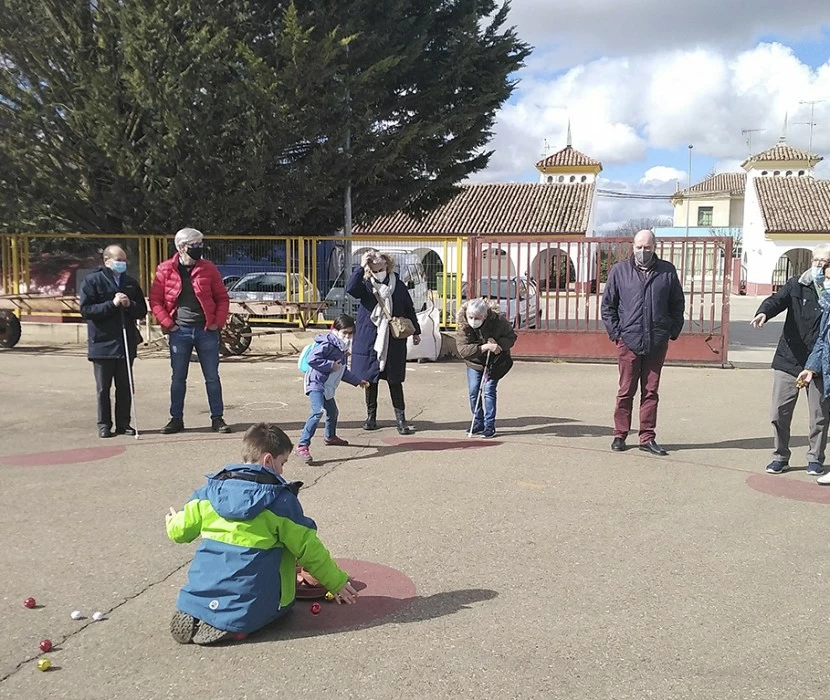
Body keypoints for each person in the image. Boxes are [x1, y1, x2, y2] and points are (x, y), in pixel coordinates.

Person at [165, 422, 359, 645]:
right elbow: (309, 548)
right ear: (268, 460)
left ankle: (196, 608)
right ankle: (236, 625)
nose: (283, 470)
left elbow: (180, 532)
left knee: (220, 561)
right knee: (283, 582)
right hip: (251, 602)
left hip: (201, 590)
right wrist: (336, 582)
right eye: (282, 463)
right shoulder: (279, 501)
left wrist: (172, 521)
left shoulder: (209, 491)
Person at [601, 229, 685, 456]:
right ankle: (620, 434)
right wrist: (616, 334)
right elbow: (608, 306)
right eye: (639, 247)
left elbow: (677, 304)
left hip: (656, 342)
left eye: (647, 247)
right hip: (628, 341)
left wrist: (671, 331)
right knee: (626, 390)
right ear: (632, 247)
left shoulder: (667, 271)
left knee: (650, 391)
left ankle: (647, 437)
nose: (642, 251)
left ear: (654, 247)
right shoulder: (620, 271)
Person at [751, 245, 830, 476]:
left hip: (820, 362)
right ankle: (780, 456)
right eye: (816, 260)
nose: (819, 265)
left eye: (825, 262)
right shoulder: (797, 283)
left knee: (820, 415)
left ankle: (815, 458)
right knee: (779, 412)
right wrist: (764, 312)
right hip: (789, 358)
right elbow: (777, 300)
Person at [150, 227, 231, 434]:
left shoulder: (208, 268)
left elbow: (222, 297)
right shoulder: (165, 269)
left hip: (206, 330)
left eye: (200, 244)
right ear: (181, 247)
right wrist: (169, 324)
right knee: (178, 377)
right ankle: (176, 418)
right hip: (180, 331)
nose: (199, 248)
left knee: (212, 376)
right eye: (195, 244)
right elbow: (156, 301)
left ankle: (217, 418)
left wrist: (217, 323)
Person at [346, 250, 422, 435]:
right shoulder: (364, 285)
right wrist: (361, 267)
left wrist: (416, 331)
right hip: (369, 338)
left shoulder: (399, 285)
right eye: (374, 269)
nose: (378, 271)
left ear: (387, 265)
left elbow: (408, 308)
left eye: (381, 268)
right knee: (370, 380)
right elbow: (350, 289)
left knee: (395, 380)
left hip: (394, 339)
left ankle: (401, 420)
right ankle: (371, 417)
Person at [79, 245, 147, 438]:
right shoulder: (92, 281)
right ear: (107, 260)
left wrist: (129, 304)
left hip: (125, 342)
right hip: (102, 343)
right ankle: (104, 424)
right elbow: (86, 310)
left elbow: (142, 310)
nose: (122, 264)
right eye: (119, 260)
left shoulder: (130, 283)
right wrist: (112, 304)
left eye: (124, 260)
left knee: (125, 386)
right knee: (103, 388)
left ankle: (123, 423)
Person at [295, 315, 370, 463]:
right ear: (335, 330)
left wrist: (357, 381)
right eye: (344, 333)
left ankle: (330, 436)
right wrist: (330, 365)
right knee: (317, 412)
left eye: (350, 333)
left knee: (332, 411)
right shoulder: (328, 344)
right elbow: (312, 359)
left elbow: (342, 370)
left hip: (327, 386)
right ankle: (302, 445)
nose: (347, 336)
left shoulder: (342, 347)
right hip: (316, 383)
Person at [455, 298, 517, 438]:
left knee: (489, 390)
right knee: (474, 391)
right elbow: (463, 350)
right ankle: (478, 421)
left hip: (494, 362)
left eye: (477, 318)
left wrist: (498, 344)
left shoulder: (498, 321)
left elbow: (511, 336)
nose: (473, 320)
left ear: (485, 316)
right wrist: (484, 347)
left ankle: (490, 425)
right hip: (475, 363)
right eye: (471, 317)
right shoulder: (464, 325)